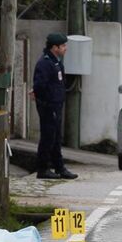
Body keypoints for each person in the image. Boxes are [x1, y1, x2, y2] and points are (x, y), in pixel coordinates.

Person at [31, 33, 78, 179]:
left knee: (56, 137)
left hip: (56, 105)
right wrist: (46, 102)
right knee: (48, 137)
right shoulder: (45, 63)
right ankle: (43, 168)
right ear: (54, 47)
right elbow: (39, 86)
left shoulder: (56, 62)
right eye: (63, 46)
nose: (65, 49)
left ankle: (59, 167)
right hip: (48, 106)